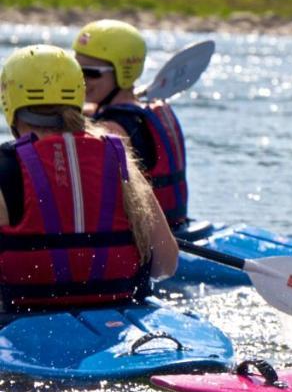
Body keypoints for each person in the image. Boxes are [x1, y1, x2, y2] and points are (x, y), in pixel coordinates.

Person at [0, 45, 178, 311]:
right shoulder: (120, 158)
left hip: (24, 322)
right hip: (117, 316)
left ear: (9, 102)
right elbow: (166, 263)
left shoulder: (5, 167)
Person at [74, 19, 190, 227]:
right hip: (174, 225)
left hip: (143, 238)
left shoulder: (113, 129)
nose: (80, 81)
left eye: (90, 73)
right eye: (75, 70)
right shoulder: (147, 108)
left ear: (123, 72)